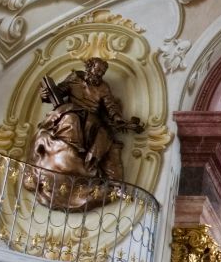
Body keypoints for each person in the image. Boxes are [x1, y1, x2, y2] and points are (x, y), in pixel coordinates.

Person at [23, 57, 142, 212]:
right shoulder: (75, 78)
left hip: (92, 118)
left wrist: (118, 119)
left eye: (102, 72)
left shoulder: (104, 88)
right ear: (89, 67)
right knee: (71, 118)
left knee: (105, 137)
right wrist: (45, 94)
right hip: (70, 110)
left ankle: (112, 183)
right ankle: (74, 147)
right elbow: (57, 91)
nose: (99, 73)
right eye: (97, 69)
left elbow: (110, 106)